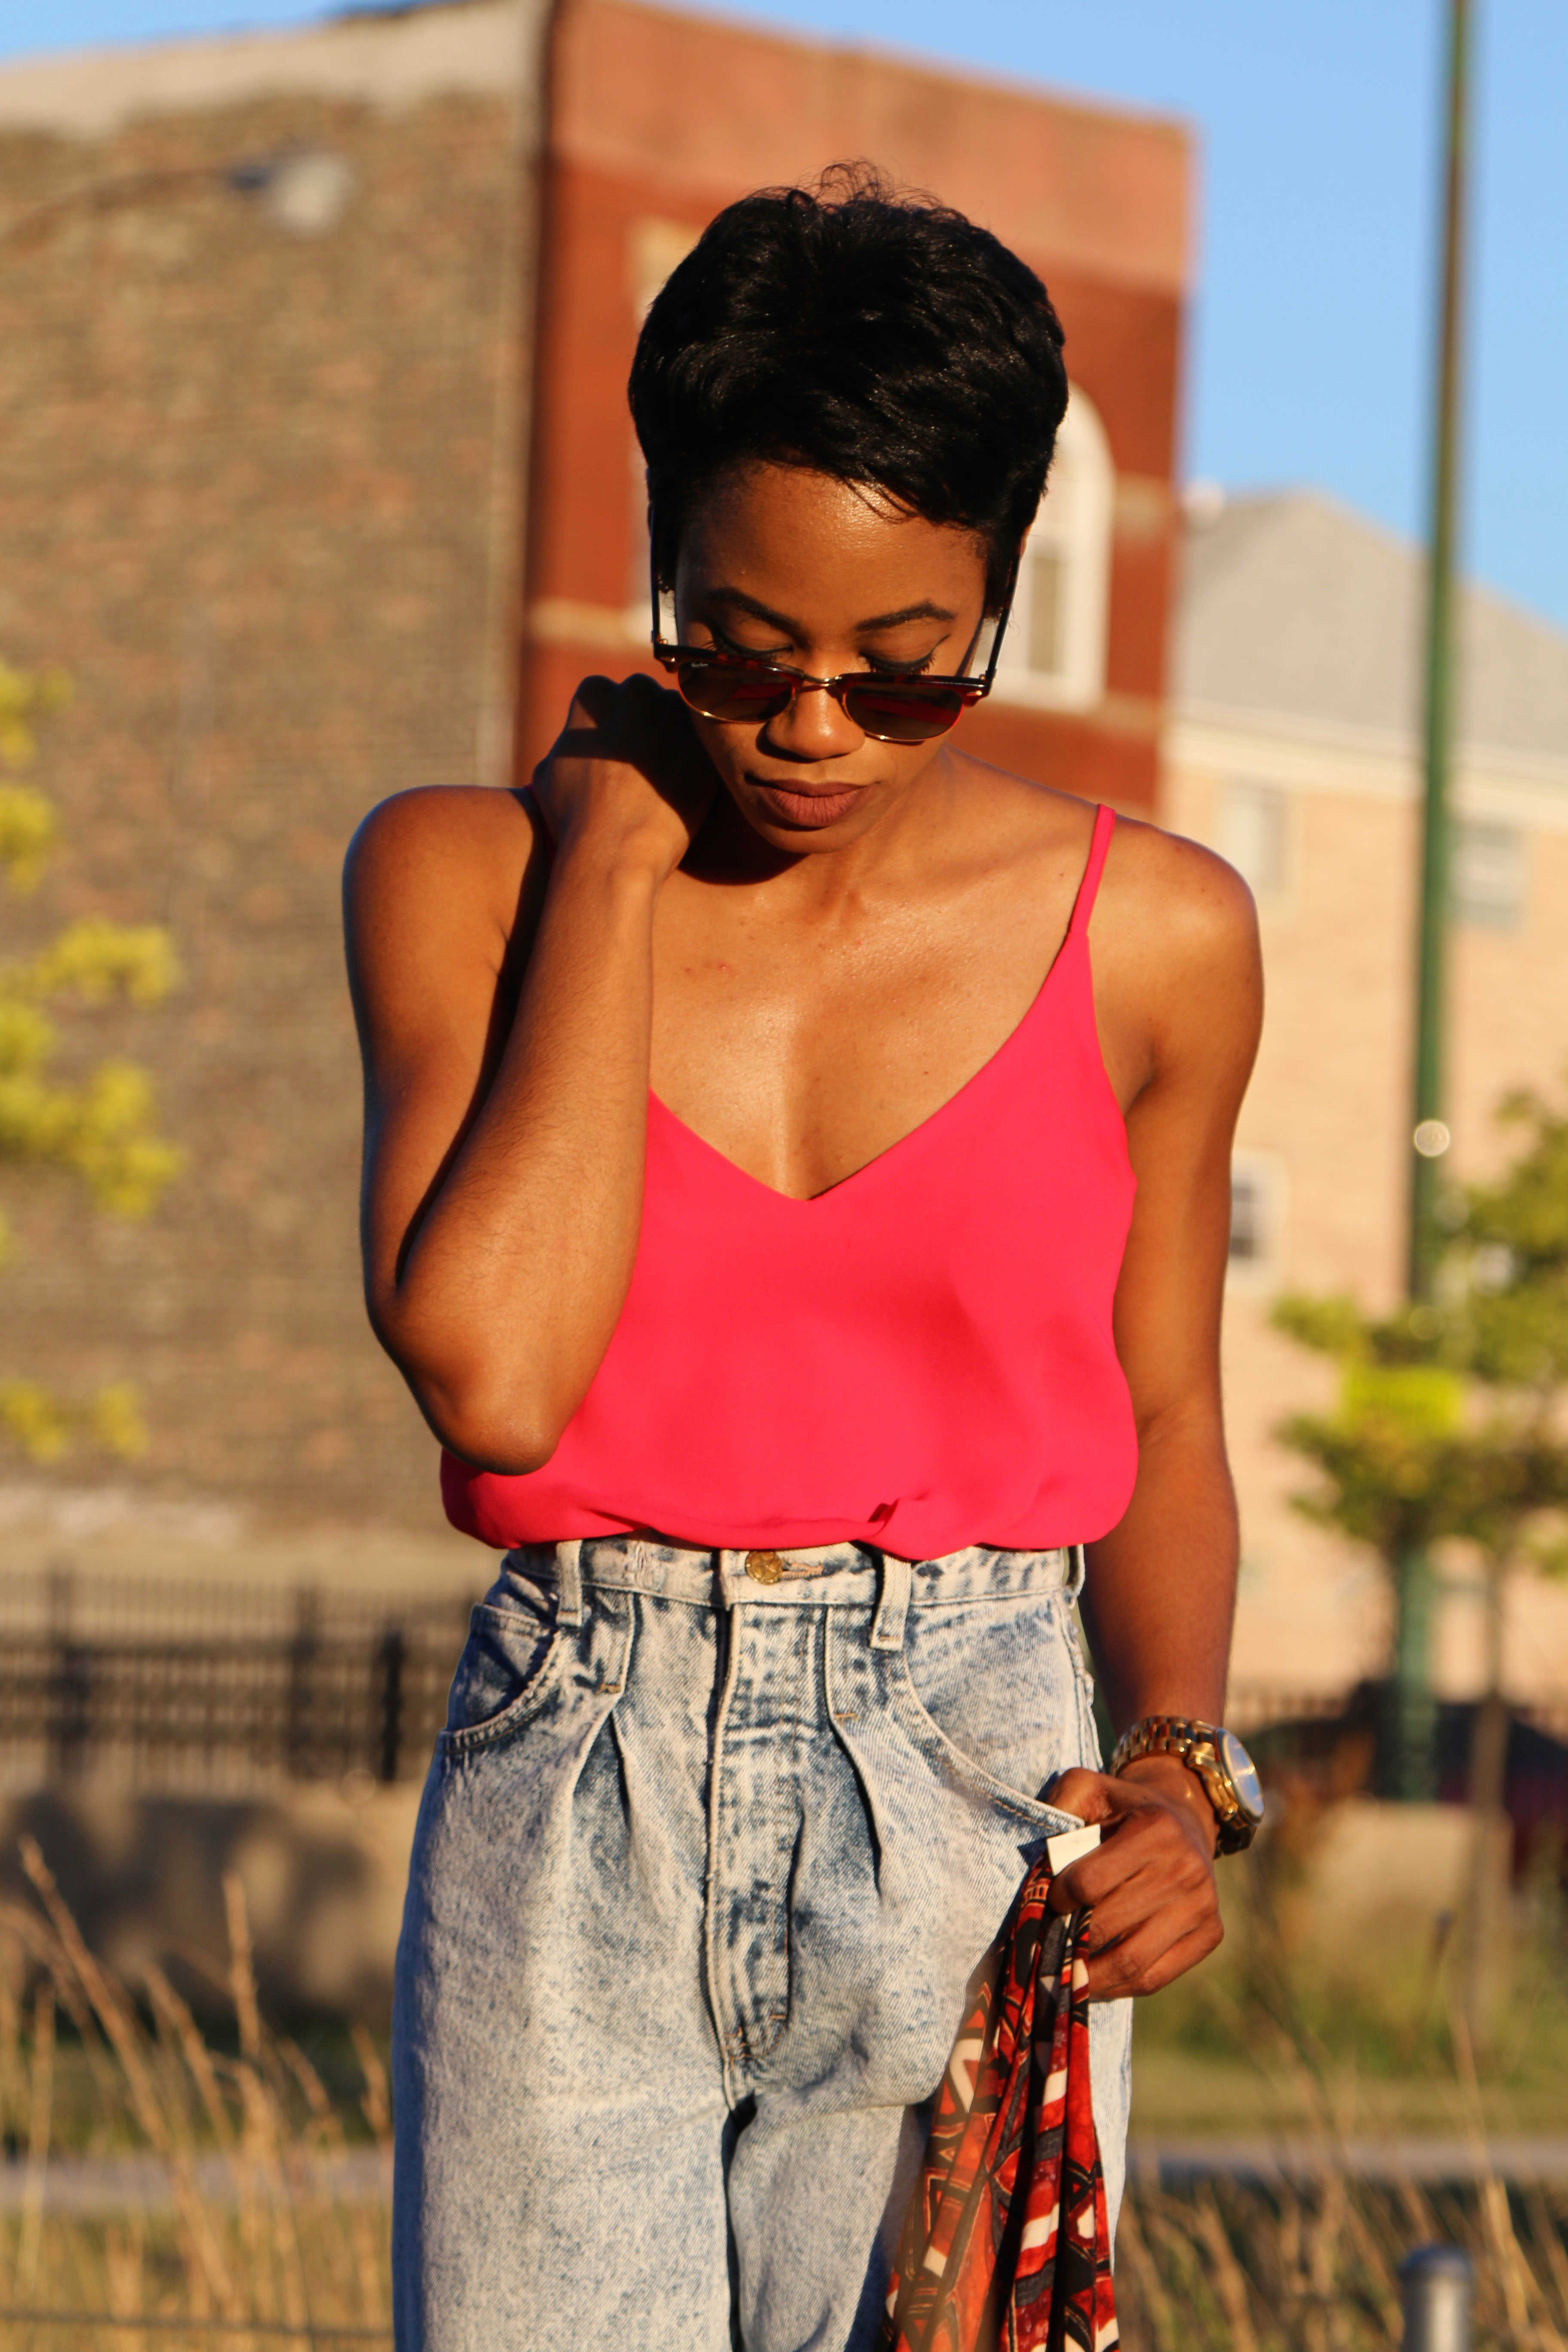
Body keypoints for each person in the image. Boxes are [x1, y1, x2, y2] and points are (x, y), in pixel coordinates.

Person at [344, 166, 1264, 2352]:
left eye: (904, 675)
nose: (812, 730)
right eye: (734, 654)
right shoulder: (464, 879)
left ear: (999, 602)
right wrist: (607, 853)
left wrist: (1187, 1768)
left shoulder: (1157, 938)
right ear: (658, 561)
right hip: (584, 1766)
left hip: (979, 1774)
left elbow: (1162, 1413)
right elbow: (493, 1377)